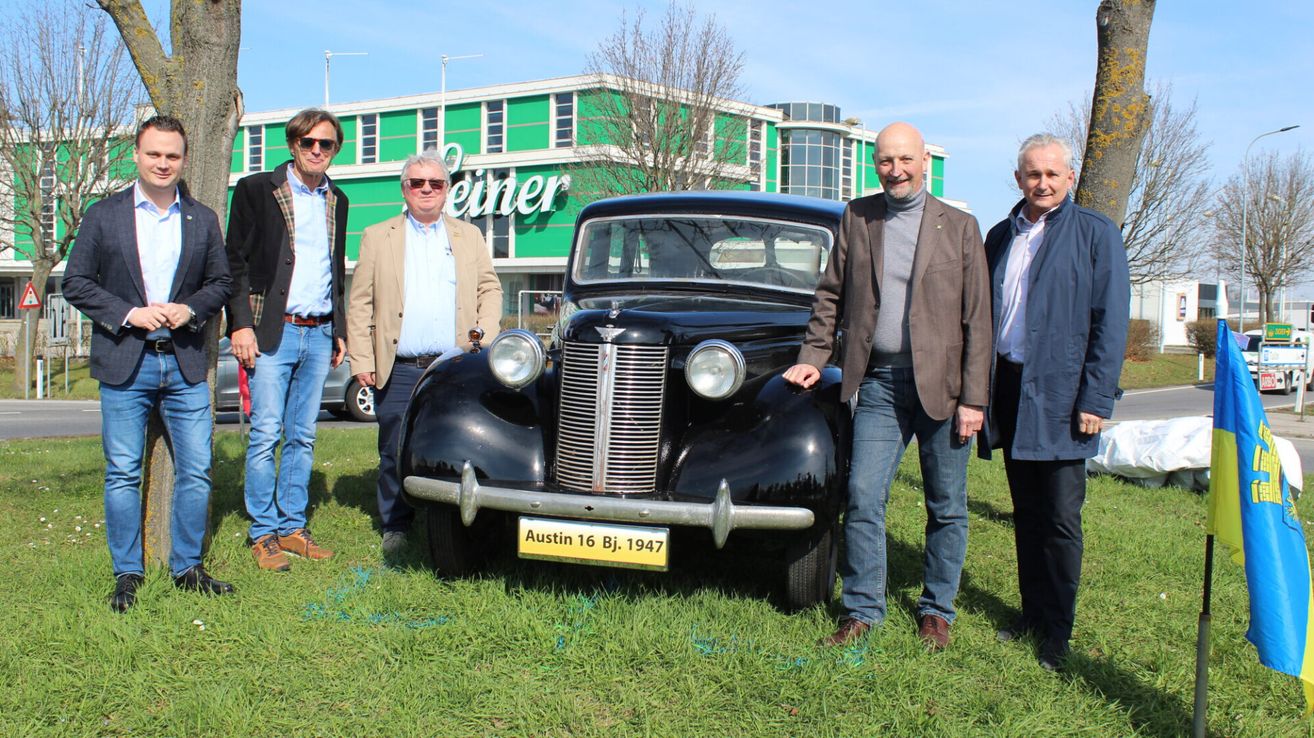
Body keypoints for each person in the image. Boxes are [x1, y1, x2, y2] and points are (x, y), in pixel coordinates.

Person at [784, 121, 991, 650]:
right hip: (877, 383)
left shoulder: (961, 226)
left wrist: (974, 398)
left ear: (925, 161)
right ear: (874, 164)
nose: (895, 170)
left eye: (905, 160)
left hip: (944, 390)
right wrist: (813, 355)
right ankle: (862, 611)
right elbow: (829, 295)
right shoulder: (858, 216)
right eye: (884, 161)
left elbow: (978, 319)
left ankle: (937, 610)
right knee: (862, 495)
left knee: (946, 505)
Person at [62, 115, 234, 611]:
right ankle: (128, 573)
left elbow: (220, 282)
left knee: (197, 469)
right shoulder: (103, 215)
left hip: (183, 363)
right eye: (154, 154)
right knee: (121, 472)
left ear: (184, 160)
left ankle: (187, 567)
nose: (163, 163)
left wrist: (191, 308)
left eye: (172, 156)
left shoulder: (201, 219)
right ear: (136, 156)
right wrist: (129, 313)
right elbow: (76, 282)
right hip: (125, 362)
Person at [981, 133, 1130, 670]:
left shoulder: (1095, 234)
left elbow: (1109, 324)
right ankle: (1030, 614)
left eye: (1052, 174)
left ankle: (1056, 632)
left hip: (1066, 398)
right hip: (1012, 392)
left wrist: (1096, 397)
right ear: (1018, 178)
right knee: (1026, 513)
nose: (1042, 183)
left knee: (1061, 519)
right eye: (1031, 174)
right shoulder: (1000, 236)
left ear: (1069, 177)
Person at [346, 150, 502, 555]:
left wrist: (482, 337)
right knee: (394, 447)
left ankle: (457, 520)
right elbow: (360, 302)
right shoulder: (378, 236)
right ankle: (396, 526)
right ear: (405, 189)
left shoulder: (469, 236)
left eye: (435, 183)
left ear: (447, 189)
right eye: (418, 183)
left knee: (462, 443)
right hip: (399, 367)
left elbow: (490, 288)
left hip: (456, 364)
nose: (427, 190)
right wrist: (362, 360)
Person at [225, 108, 349, 571]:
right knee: (265, 435)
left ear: (335, 149)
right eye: (308, 142)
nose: (316, 150)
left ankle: (293, 527)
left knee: (302, 436)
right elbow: (233, 261)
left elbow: (334, 270)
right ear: (292, 144)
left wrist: (338, 329)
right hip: (271, 332)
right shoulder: (257, 190)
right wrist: (239, 324)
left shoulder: (338, 198)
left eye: (326, 144)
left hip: (318, 333)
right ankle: (263, 535)